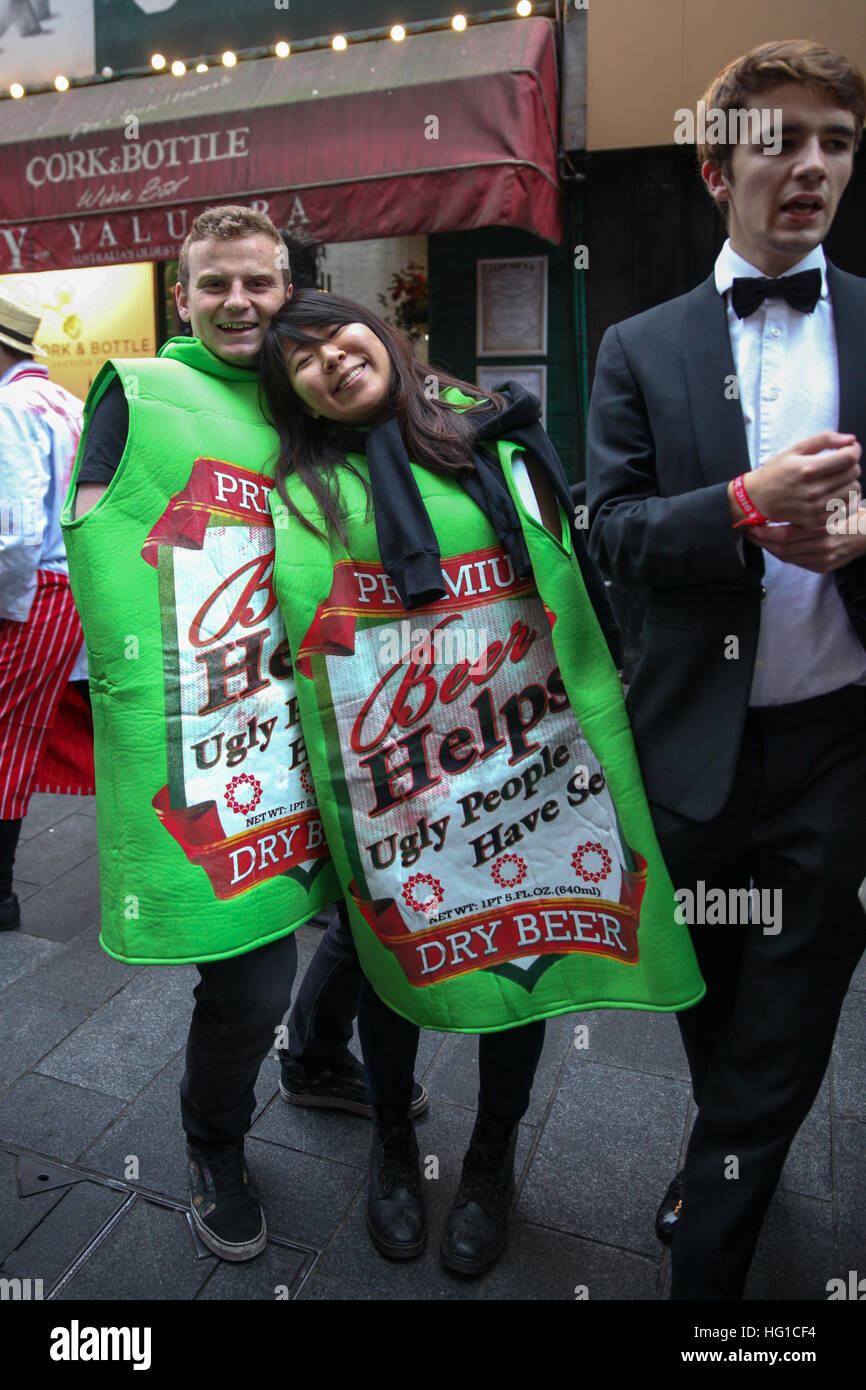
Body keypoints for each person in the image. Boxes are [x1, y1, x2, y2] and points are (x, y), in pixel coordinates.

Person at [258, 290, 704, 1273]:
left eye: (338, 333)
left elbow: (574, 579)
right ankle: (388, 1141)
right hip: (401, 784)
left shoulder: (489, 434)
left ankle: (490, 1159)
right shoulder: (296, 491)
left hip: (523, 762)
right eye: (301, 360)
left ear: (381, 330)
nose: (330, 359)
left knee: (526, 941)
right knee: (392, 954)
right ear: (292, 395)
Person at [63, 206, 423, 1267]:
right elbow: (95, 538)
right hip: (223, 741)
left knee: (368, 917)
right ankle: (214, 1139)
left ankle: (313, 1057)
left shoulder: (308, 392)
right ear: (181, 297)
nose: (236, 303)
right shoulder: (142, 393)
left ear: (287, 287)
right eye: (213, 285)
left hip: (339, 719)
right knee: (248, 973)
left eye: (257, 285)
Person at [587, 39, 866, 1299]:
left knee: (788, 1017)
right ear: (716, 166)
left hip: (834, 748)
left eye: (836, 142)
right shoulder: (637, 346)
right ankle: (725, 1154)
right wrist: (745, 505)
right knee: (714, 997)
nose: (810, 165)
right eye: (780, 141)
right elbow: (617, 533)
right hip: (692, 749)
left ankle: (706, 1269)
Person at [0, 287, 94, 933]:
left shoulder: (8, 405)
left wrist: (6, 606)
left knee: (6, 739)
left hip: (34, 590)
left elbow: (13, 532)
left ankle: (0, 895)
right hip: (75, 587)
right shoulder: (66, 399)